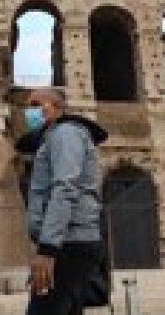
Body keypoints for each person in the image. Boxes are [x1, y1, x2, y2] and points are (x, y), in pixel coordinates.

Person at [18, 87, 108, 315]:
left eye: (36, 105)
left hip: (68, 244)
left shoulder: (65, 134)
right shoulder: (54, 137)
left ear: (57, 107)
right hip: (68, 242)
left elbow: (65, 188)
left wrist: (48, 250)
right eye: (28, 106)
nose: (30, 111)